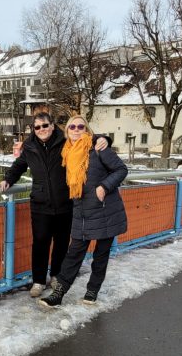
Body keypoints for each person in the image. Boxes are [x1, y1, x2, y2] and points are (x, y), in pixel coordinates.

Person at [0, 113, 109, 297]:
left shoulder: (64, 140)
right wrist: (7, 179)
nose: (42, 129)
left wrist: (104, 138)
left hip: (65, 202)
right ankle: (39, 281)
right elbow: (18, 166)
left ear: (52, 125)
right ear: (33, 129)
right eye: (37, 127)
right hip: (40, 204)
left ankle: (56, 275)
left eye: (45, 125)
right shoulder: (30, 147)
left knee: (61, 243)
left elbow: (85, 136)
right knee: (40, 243)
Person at [40, 115, 128, 307]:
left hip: (105, 210)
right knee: (74, 253)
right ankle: (58, 294)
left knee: (101, 255)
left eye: (81, 126)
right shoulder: (67, 152)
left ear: (86, 129)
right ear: (67, 131)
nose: (76, 129)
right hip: (81, 211)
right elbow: (43, 139)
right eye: (72, 126)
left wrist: (104, 186)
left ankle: (92, 291)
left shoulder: (98, 148)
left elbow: (121, 169)